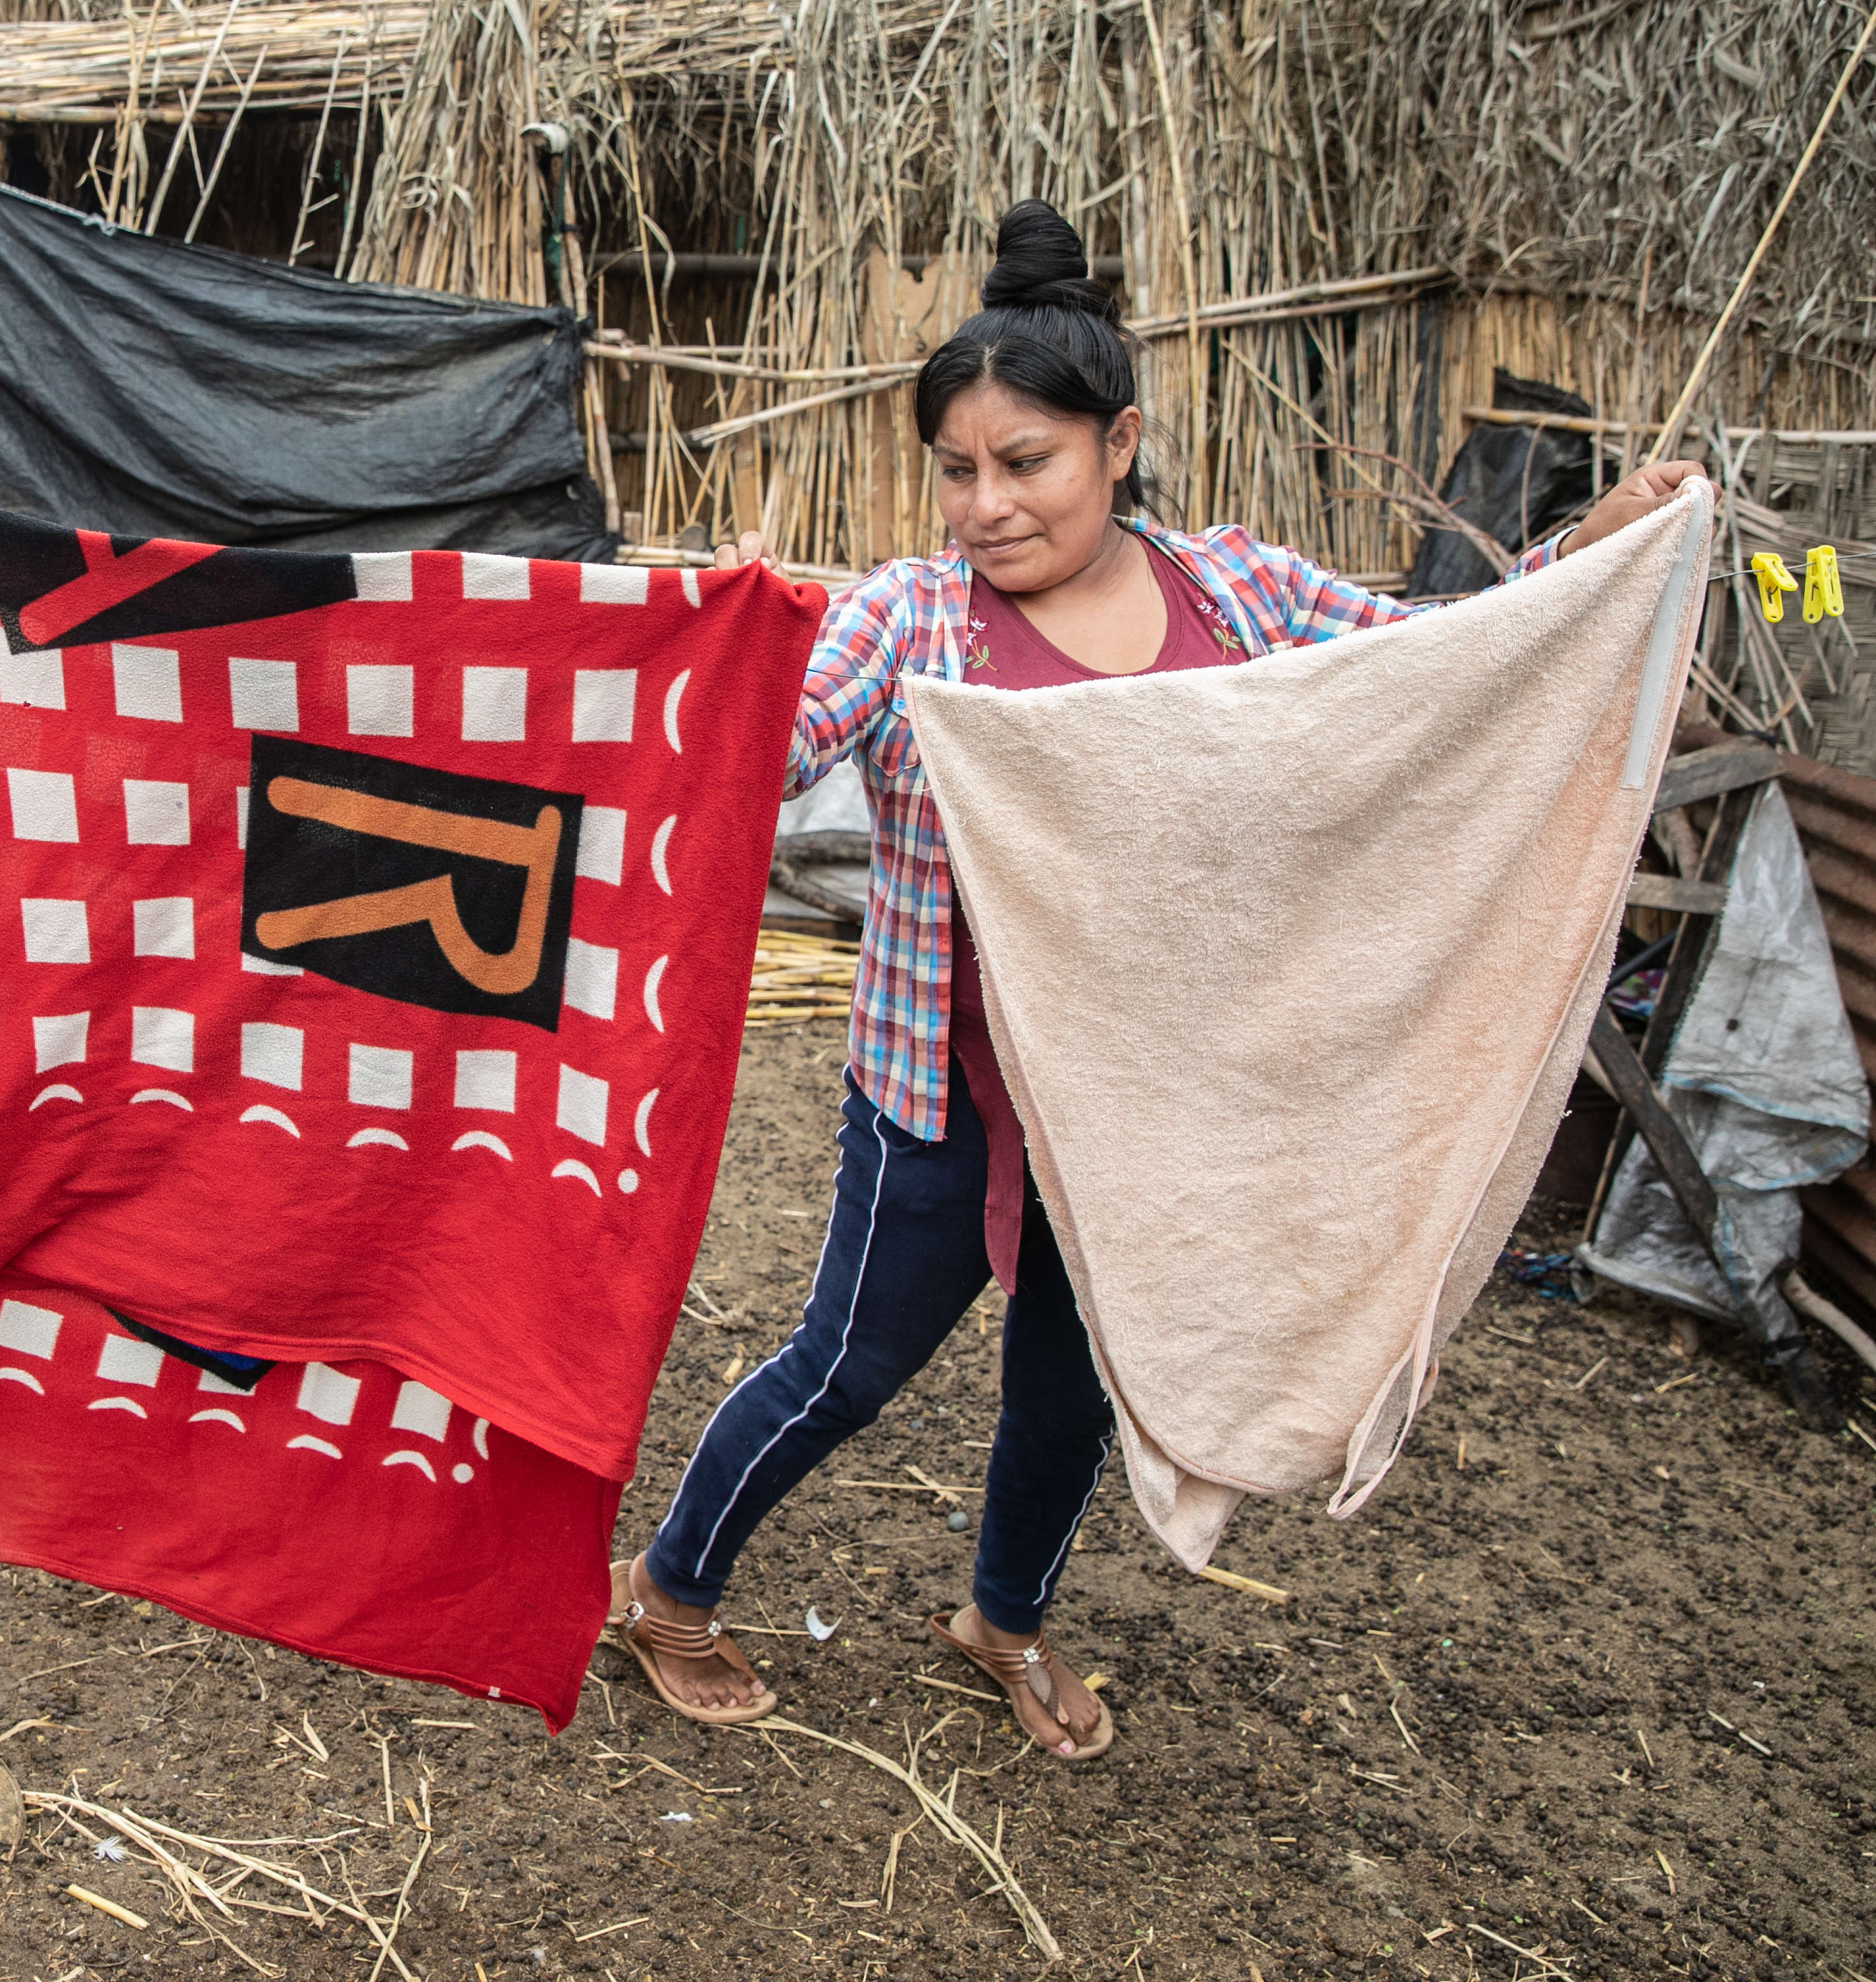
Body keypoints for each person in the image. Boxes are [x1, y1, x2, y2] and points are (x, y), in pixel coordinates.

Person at [606, 199, 1705, 1756]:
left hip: (1141, 1109)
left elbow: (1439, 664)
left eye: (1027, 463)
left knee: (1075, 1389)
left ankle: (1005, 1617)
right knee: (848, 1363)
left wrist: (1599, 552)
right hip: (949, 1087)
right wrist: (728, 660)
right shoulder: (919, 619)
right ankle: (671, 1588)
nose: (986, 505)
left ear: (1118, 443)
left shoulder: (1236, 598)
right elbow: (775, 751)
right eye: (959, 471)